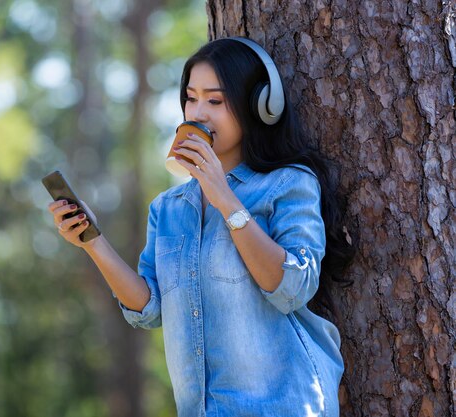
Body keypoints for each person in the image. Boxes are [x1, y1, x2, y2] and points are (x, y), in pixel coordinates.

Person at [47, 37, 354, 417]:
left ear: (260, 106)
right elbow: (150, 308)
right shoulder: (168, 208)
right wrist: (92, 241)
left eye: (215, 100)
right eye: (191, 98)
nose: (198, 113)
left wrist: (223, 196)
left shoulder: (289, 184)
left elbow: (292, 289)